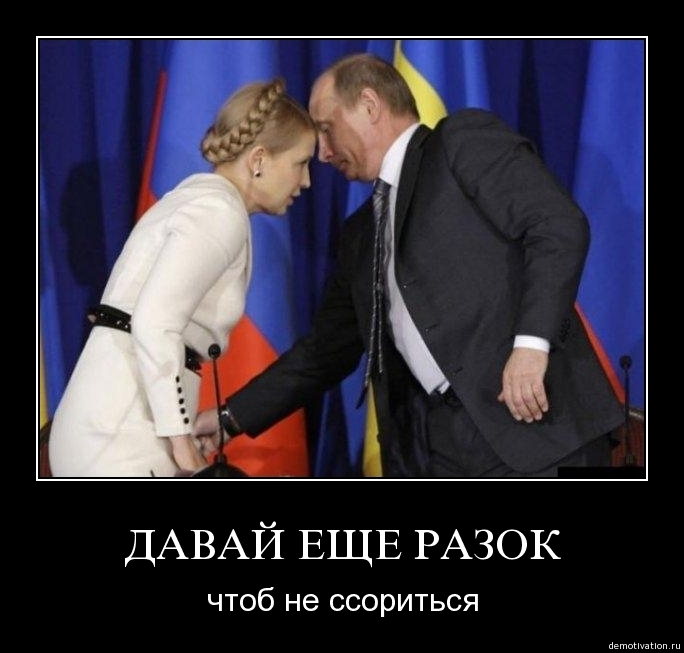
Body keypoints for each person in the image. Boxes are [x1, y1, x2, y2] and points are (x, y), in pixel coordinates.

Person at [195, 54, 623, 477]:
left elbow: (557, 225)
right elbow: (323, 353)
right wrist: (231, 417)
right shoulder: (361, 233)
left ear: (369, 105)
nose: (322, 153)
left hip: (539, 427)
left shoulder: (459, 143)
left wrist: (530, 348)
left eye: (327, 128)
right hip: (443, 450)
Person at [49, 78, 316, 477]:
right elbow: (155, 322)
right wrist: (183, 446)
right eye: (301, 163)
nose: (306, 181)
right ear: (259, 159)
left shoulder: (201, 199)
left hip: (119, 419)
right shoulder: (219, 212)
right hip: (123, 433)